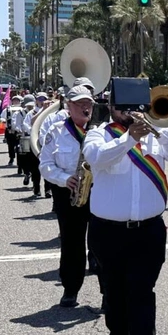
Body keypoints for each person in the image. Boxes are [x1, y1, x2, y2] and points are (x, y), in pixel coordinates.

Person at [83, 87, 168, 335]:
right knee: (114, 291)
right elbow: (97, 158)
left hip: (148, 231)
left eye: (134, 106)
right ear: (111, 108)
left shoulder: (156, 136)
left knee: (142, 291)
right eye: (122, 107)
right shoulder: (100, 134)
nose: (129, 112)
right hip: (108, 232)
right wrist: (129, 138)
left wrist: (159, 130)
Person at [38, 86, 101, 308]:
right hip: (69, 193)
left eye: (89, 104)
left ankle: (108, 293)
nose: (86, 108)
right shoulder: (55, 131)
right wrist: (65, 179)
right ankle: (70, 289)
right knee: (72, 243)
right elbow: (45, 164)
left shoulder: (100, 130)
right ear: (68, 106)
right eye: (80, 104)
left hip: (99, 192)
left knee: (102, 242)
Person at [4, 95, 23, 168]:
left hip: (19, 131)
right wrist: (4, 121)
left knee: (20, 147)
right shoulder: (7, 109)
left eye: (17, 100)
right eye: (14, 100)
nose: (16, 102)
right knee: (11, 145)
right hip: (10, 130)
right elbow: (3, 117)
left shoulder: (22, 110)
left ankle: (20, 163)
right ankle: (11, 158)